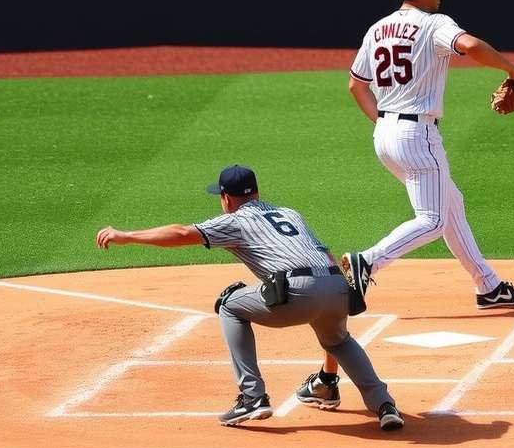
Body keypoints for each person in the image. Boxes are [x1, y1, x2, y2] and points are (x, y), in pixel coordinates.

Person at [295, 0, 514, 408]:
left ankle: (488, 285)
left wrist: (384, 125)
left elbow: (355, 86)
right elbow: (471, 45)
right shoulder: (434, 23)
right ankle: (367, 260)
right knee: (431, 218)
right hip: (418, 133)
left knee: (452, 205)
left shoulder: (377, 28)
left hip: (386, 132)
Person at [96, 164, 404, 431]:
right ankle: (383, 405)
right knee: (338, 341)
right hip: (336, 284)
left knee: (230, 305)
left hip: (298, 291)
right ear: (256, 193)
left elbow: (181, 233)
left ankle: (252, 397)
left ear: (226, 198)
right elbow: (325, 253)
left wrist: (127, 235)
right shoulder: (289, 213)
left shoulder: (234, 220)